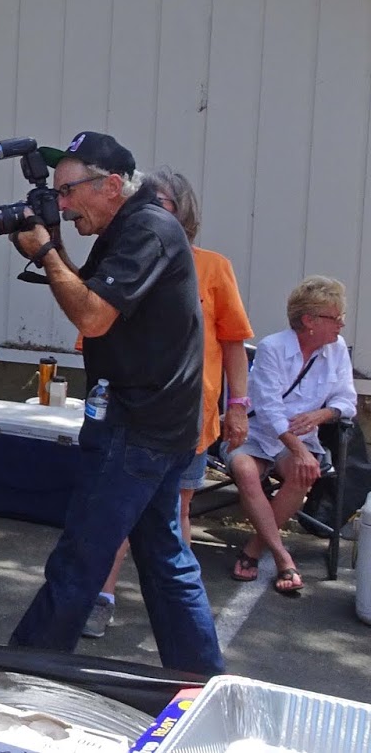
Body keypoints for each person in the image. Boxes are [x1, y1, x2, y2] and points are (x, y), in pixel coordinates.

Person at [7, 131, 224, 675]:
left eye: (67, 191)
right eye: (55, 193)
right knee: (165, 560)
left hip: (138, 427)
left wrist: (48, 252)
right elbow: (94, 299)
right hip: (159, 422)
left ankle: (21, 675)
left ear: (110, 185)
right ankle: (201, 679)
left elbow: (92, 317)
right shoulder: (129, 225)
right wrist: (51, 250)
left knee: (81, 559)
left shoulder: (148, 229)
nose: (59, 203)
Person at [82, 168, 253, 639]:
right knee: (120, 519)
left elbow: (234, 342)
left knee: (170, 519)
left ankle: (179, 624)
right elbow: (93, 334)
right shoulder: (125, 257)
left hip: (188, 420)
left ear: (176, 211)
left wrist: (238, 405)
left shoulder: (213, 267)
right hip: (129, 417)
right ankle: (103, 597)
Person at [227, 275, 356, 596]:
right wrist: (297, 449)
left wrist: (323, 414)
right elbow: (268, 411)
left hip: (301, 439)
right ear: (309, 321)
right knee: (245, 469)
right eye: (335, 317)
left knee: (304, 471)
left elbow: (347, 399)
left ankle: (254, 549)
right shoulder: (273, 348)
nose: (341, 324)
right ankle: (283, 555)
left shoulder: (336, 349)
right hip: (256, 434)